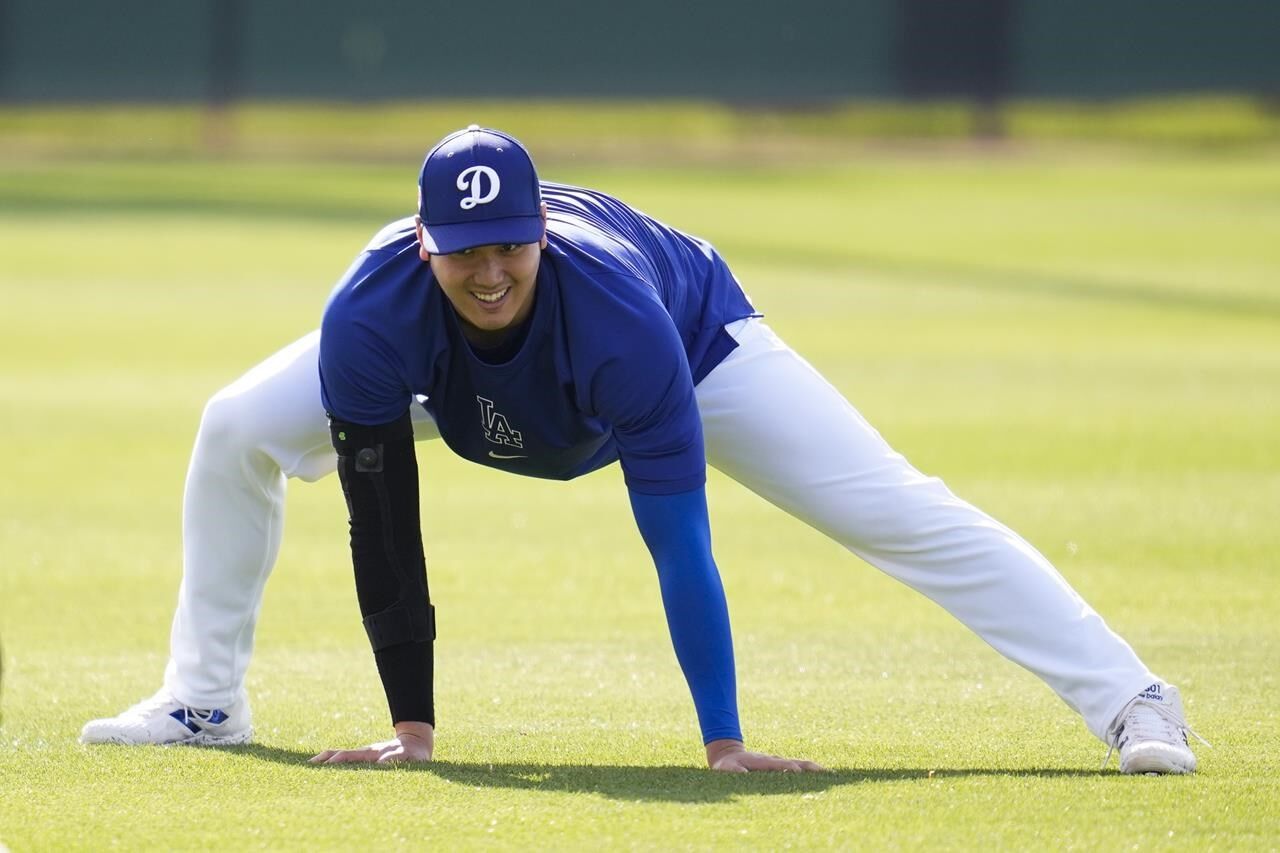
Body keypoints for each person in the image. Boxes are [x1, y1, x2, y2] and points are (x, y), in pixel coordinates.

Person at [81, 126, 1203, 774]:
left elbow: (677, 543)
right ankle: (204, 701)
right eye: (463, 250)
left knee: (889, 505)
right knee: (234, 424)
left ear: (537, 234)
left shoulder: (622, 321)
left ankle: (1129, 696)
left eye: (509, 247)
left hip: (687, 349)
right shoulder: (371, 319)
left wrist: (722, 745)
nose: (488, 272)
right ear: (423, 242)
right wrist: (411, 732)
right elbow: (382, 519)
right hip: (452, 382)